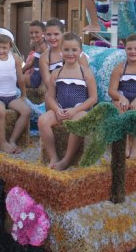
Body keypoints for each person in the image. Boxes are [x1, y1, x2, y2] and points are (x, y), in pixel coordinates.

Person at [39, 32, 97, 170]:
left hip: (80, 110)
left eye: (74, 50)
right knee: (43, 120)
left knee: (78, 122)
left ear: (80, 51)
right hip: (61, 109)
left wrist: (75, 110)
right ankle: (53, 156)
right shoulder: (56, 73)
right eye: (66, 49)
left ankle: (67, 159)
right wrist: (56, 110)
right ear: (61, 51)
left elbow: (93, 98)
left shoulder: (86, 72)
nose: (70, 53)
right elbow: (51, 97)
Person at [108, 34, 136, 158]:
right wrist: (121, 98)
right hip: (122, 98)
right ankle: (125, 142)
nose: (133, 51)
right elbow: (111, 90)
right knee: (120, 107)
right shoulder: (119, 69)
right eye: (129, 49)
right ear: (125, 50)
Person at [21, 20, 47, 92]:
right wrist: (19, 71)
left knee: (14, 79)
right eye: (31, 33)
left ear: (43, 32)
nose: (33, 35)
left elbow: (47, 65)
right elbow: (31, 63)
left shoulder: (44, 46)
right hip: (35, 75)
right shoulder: (38, 45)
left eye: (36, 32)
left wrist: (43, 83)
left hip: (38, 77)